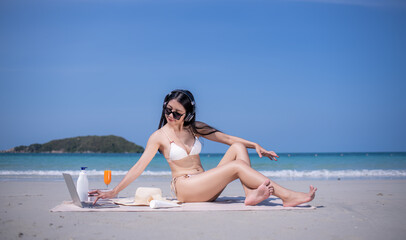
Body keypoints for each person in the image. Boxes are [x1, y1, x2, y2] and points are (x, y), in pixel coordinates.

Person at [91, 89, 317, 207]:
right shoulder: (158, 136)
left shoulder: (194, 127)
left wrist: (256, 145)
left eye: (177, 113)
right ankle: (286, 196)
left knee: (238, 147)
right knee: (237, 165)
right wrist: (114, 191)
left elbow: (228, 138)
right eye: (168, 110)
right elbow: (139, 167)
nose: (170, 115)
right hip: (185, 188)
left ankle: (250, 195)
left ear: (187, 114)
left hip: (205, 183)